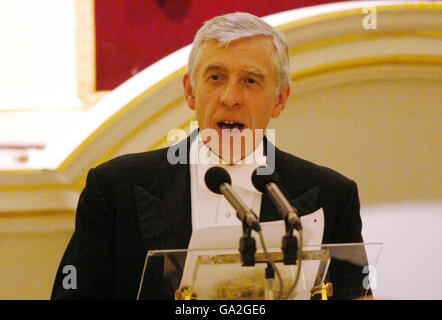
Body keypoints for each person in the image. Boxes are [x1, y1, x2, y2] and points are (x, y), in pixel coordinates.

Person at [52, 12, 367, 300]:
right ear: (190, 91)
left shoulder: (332, 195)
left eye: (250, 81)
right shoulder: (114, 188)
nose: (230, 98)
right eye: (216, 77)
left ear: (279, 100)